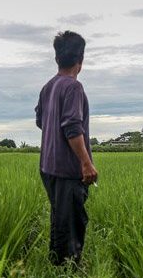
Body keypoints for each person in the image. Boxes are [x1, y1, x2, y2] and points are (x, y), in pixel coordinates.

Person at [35, 30, 98, 265]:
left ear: (57, 58)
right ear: (81, 60)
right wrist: (86, 163)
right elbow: (72, 127)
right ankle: (67, 275)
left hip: (48, 168)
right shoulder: (73, 87)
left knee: (60, 220)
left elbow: (41, 122)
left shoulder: (48, 87)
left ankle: (56, 267)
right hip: (68, 171)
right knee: (71, 225)